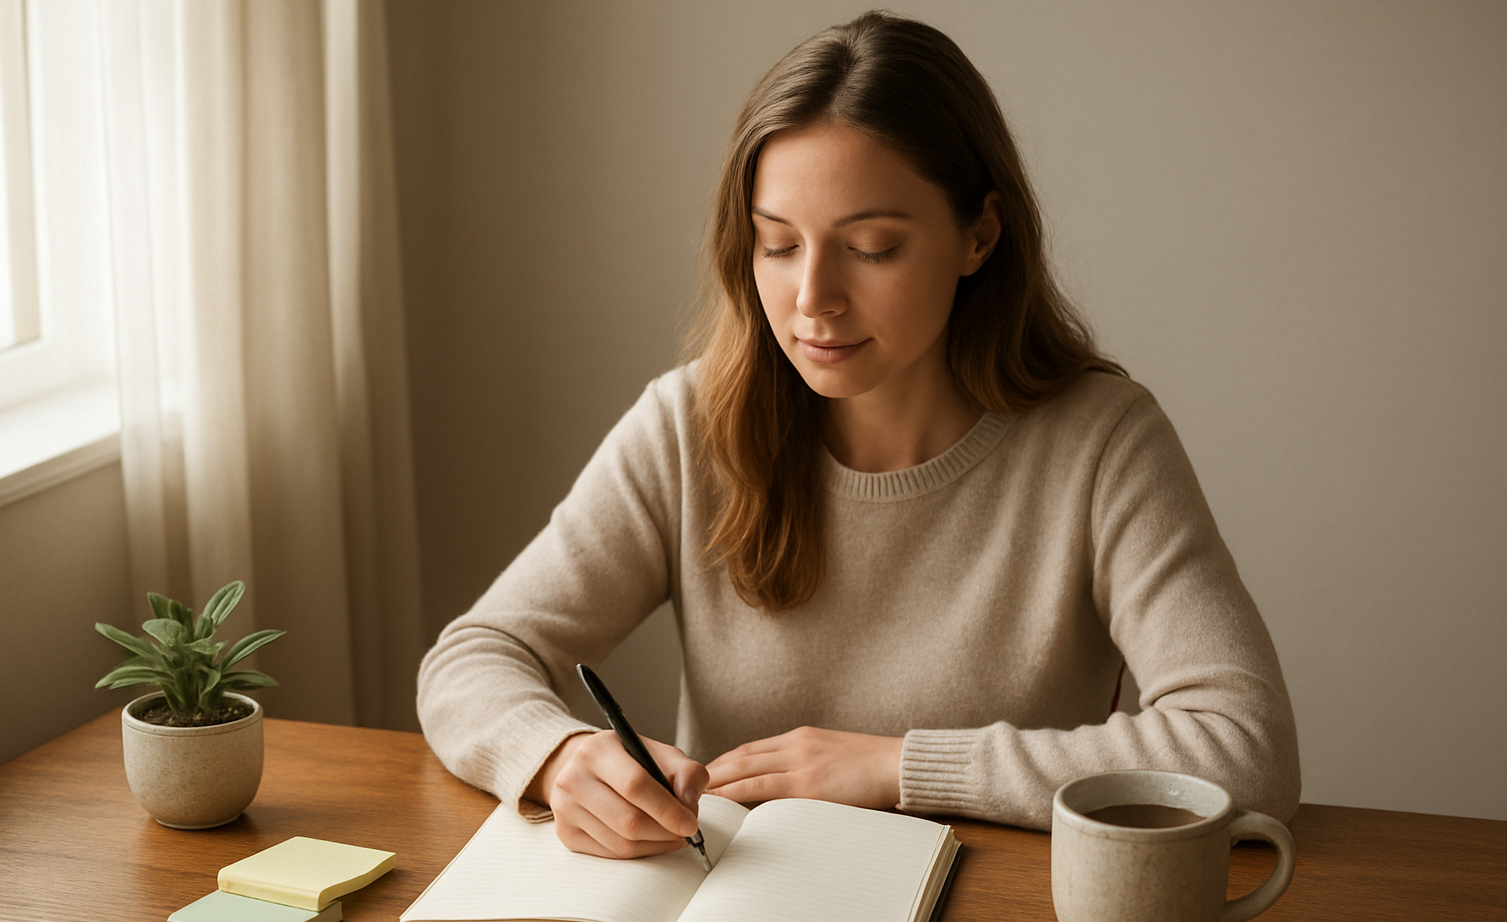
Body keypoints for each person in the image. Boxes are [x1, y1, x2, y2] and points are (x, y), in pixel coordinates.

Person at [417, 11, 1300, 860]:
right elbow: (474, 658)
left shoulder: (1102, 443)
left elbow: (1245, 751)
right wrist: (559, 757)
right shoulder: (688, 425)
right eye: (777, 244)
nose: (812, 299)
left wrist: (899, 767)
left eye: (871, 247)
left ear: (979, 234)